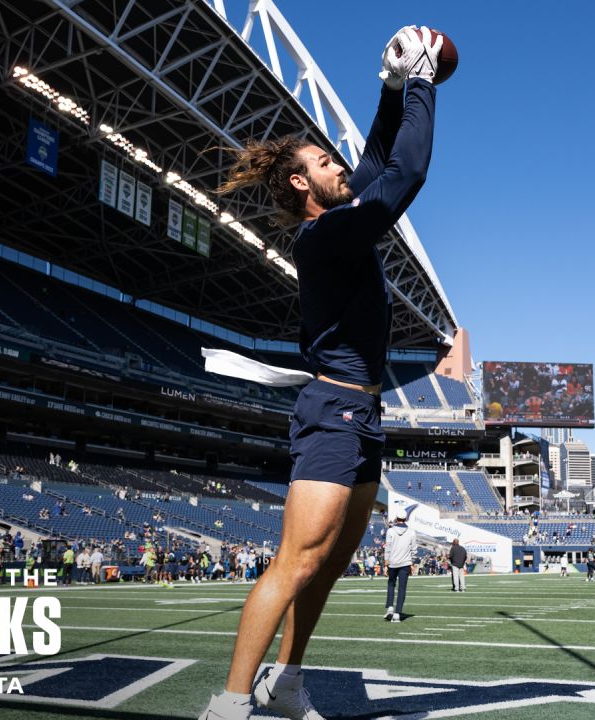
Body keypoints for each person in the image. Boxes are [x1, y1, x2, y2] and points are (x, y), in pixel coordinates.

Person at [200, 25, 443, 720]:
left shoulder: (340, 211)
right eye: (324, 163)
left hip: (364, 414)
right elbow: (405, 176)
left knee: (333, 564)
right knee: (297, 562)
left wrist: (391, 92)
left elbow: (372, 158)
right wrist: (424, 82)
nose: (340, 166)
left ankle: (288, 683)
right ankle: (229, 703)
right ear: (302, 183)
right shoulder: (325, 232)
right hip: (332, 409)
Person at [384, 514, 416, 622]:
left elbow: (387, 548)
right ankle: (397, 613)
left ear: (397, 519)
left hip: (393, 562)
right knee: (402, 588)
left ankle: (390, 608)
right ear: (405, 519)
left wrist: (386, 562)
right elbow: (414, 549)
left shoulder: (390, 531)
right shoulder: (411, 532)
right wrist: (412, 562)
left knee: (391, 584)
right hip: (405, 562)